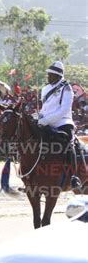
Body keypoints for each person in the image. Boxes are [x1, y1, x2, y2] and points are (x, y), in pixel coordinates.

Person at [37, 61, 82, 191]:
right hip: (45, 121)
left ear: (58, 75)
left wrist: (46, 120)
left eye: (50, 74)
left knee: (69, 143)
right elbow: (44, 108)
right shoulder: (45, 89)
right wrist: (39, 117)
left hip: (63, 122)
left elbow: (64, 109)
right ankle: (32, 175)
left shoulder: (66, 88)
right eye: (48, 74)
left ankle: (74, 176)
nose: (48, 76)